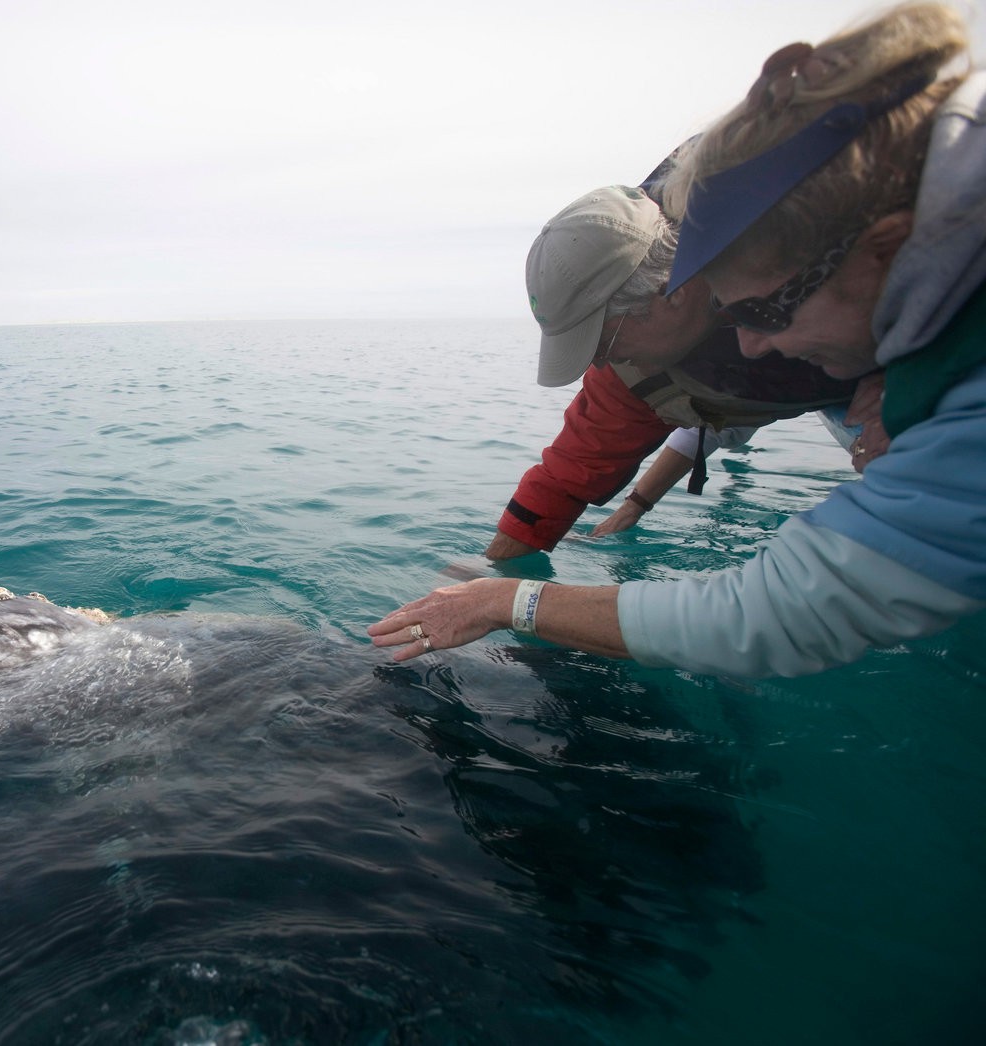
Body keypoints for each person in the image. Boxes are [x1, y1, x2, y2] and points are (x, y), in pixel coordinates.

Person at [372, 1, 984, 677]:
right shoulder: (662, 357)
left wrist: (906, 384)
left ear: (680, 290)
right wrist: (482, 583)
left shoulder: (956, 390)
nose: (752, 343)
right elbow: (565, 479)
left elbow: (780, 614)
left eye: (764, 312)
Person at [489, 185, 859, 560]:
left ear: (670, 292)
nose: (601, 363)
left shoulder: (814, 228)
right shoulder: (629, 371)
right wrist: (484, 576)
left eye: (603, 342)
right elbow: (568, 474)